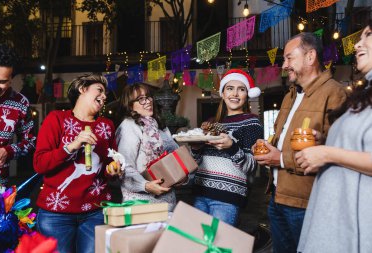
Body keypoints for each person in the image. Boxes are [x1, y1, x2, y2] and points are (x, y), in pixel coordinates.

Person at [253, 32, 347, 253]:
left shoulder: (335, 94)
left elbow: (337, 155)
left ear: (310, 56)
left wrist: (281, 159)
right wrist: (266, 149)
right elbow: (281, 141)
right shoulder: (289, 96)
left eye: (289, 58)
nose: (284, 65)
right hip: (277, 197)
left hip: (307, 202)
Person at [297, 22, 372, 253]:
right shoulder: (366, 92)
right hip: (336, 218)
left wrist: (327, 153)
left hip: (356, 222)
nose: (358, 44)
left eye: (368, 35)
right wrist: (326, 142)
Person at [33, 73, 122, 253]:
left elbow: (110, 163)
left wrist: (112, 170)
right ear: (82, 89)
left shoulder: (107, 125)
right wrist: (72, 146)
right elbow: (40, 164)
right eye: (99, 90)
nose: (104, 96)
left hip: (95, 211)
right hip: (55, 213)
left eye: (105, 93)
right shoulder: (56, 119)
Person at [191, 69, 263, 226]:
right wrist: (195, 148)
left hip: (228, 197)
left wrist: (231, 146)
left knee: (218, 248)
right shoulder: (212, 123)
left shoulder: (252, 123)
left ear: (247, 95)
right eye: (230, 88)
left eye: (241, 89)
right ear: (223, 94)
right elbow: (197, 161)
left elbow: (251, 166)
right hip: (200, 192)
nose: (235, 94)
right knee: (194, 245)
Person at [115, 83, 179, 211]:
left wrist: (181, 176)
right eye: (141, 99)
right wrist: (145, 185)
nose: (148, 102)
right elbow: (124, 166)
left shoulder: (160, 126)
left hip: (168, 204)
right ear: (130, 105)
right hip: (140, 205)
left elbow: (176, 157)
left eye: (148, 97)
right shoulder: (129, 126)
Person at [0, 43, 36, 186]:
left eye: (1, 82)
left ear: (11, 79)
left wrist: (7, 152)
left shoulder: (21, 103)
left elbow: (31, 142)